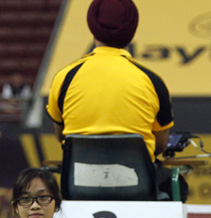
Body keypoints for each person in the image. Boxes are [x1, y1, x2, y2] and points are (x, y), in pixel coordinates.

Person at [46, 0, 180, 199]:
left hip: (79, 187)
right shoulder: (152, 81)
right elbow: (160, 145)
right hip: (138, 188)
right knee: (177, 185)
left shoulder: (65, 77)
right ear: (132, 30)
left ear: (92, 27)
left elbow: (61, 136)